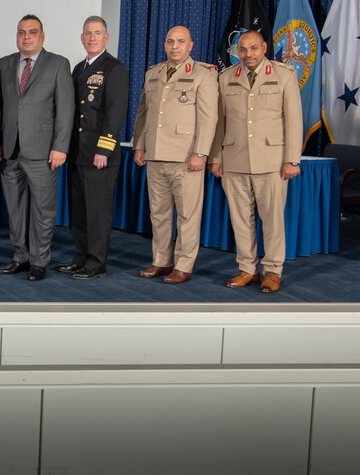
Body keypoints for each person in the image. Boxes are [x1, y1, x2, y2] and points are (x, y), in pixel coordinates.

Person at [210, 30, 301, 293]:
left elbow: (294, 121)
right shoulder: (226, 77)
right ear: (237, 51)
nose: (248, 54)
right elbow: (219, 123)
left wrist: (291, 160)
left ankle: (272, 271)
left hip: (271, 161)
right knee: (240, 220)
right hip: (234, 159)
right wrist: (216, 158)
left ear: (264, 48)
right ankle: (247, 269)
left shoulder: (284, 75)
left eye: (253, 48)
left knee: (272, 220)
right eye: (243, 49)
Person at [132, 25, 218, 284]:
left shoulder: (204, 74)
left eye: (181, 41)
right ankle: (160, 260)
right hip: (156, 154)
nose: (175, 46)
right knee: (158, 213)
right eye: (170, 41)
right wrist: (139, 144)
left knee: (187, 215)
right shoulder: (153, 73)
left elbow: (208, 118)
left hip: (186, 156)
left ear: (191, 45)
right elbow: (144, 113)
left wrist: (201, 153)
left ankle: (183, 264)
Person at [0, 14, 74, 281]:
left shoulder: (58, 64)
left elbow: (65, 109)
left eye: (32, 32)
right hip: (10, 150)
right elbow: (0, 109)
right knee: (16, 209)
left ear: (42, 36)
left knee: (42, 209)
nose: (26, 37)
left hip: (43, 151)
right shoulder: (5, 64)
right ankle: (20, 256)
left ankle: (39, 261)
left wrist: (60, 147)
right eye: (21, 32)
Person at [58, 16, 129, 279]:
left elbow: (115, 112)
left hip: (99, 154)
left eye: (97, 33)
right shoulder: (78, 69)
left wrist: (104, 148)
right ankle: (82, 255)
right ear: (82, 37)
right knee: (79, 210)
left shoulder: (114, 68)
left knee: (97, 211)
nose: (92, 38)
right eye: (87, 33)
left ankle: (97, 260)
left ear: (106, 38)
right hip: (78, 152)